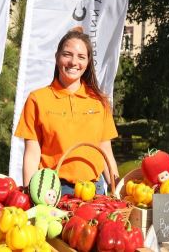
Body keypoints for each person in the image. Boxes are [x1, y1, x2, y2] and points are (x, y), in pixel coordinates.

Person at [14, 27, 120, 195]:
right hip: (52, 190)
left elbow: (105, 149)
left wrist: (117, 188)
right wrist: (29, 193)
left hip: (95, 190)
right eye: (67, 54)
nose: (73, 62)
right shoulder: (37, 99)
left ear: (88, 62)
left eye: (81, 57)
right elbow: (32, 153)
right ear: (57, 57)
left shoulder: (99, 101)